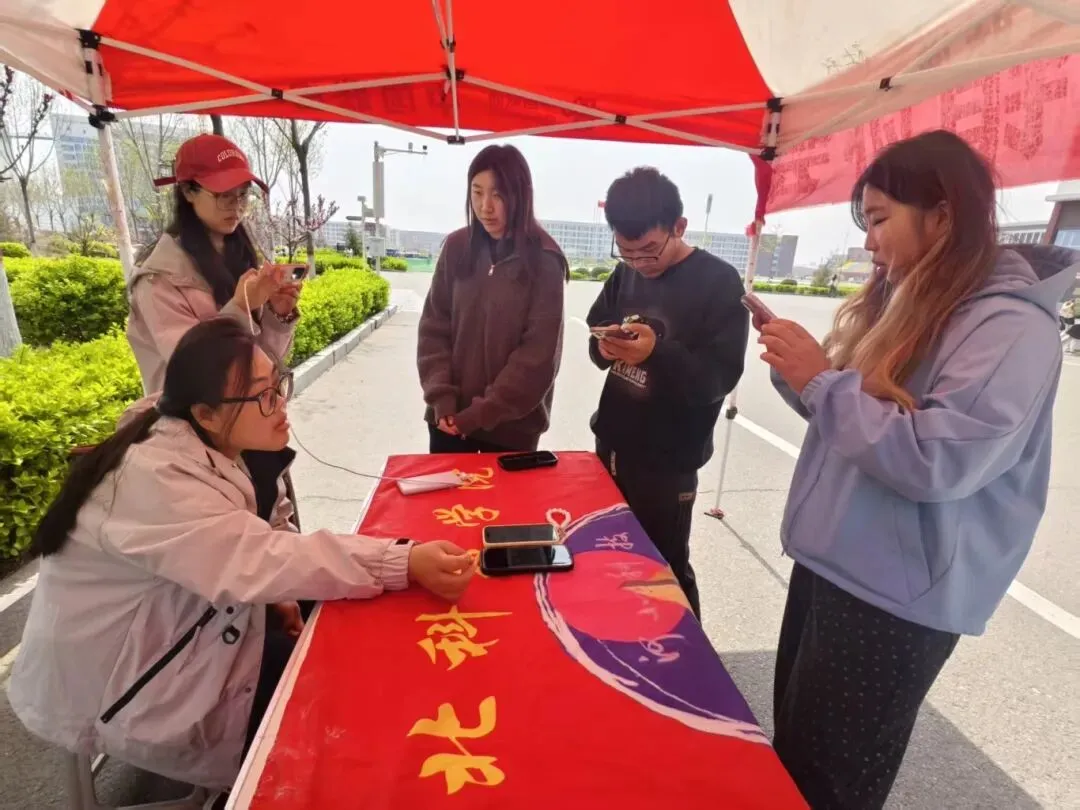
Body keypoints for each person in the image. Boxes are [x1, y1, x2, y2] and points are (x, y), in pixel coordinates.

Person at [8, 318, 474, 802]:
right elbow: (255, 555)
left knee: (353, 635)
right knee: (333, 709)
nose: (281, 405)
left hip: (186, 622)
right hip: (119, 681)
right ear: (206, 413)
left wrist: (283, 595)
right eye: (264, 396)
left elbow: (261, 538)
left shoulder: (212, 436)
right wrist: (400, 560)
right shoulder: (155, 478)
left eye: (279, 384)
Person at [756, 130, 1078, 809]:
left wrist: (822, 385)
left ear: (943, 214)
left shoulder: (1010, 327)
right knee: (795, 761)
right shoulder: (914, 301)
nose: (869, 242)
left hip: (894, 599)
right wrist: (804, 376)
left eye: (878, 220)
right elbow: (857, 419)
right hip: (834, 565)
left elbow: (939, 459)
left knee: (830, 781)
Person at [586, 167, 748, 619]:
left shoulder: (718, 282)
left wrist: (656, 353)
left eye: (648, 251)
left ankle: (689, 674)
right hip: (612, 444)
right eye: (626, 252)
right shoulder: (625, 274)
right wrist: (603, 347)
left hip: (667, 463)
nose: (638, 264)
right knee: (607, 560)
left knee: (664, 571)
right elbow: (597, 332)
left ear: (679, 227)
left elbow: (719, 378)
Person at [417, 144, 568, 454]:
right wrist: (442, 400)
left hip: (511, 433)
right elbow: (434, 328)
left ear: (521, 196)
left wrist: (480, 414)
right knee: (448, 504)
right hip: (447, 421)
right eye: (477, 193)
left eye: (498, 194)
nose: (485, 206)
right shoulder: (457, 247)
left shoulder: (545, 260)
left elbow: (537, 356)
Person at [128, 133, 299, 395]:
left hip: (246, 423)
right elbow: (196, 371)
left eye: (243, 195)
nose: (237, 206)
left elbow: (261, 363)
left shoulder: (240, 259)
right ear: (188, 191)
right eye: (224, 195)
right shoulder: (159, 280)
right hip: (191, 431)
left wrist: (278, 315)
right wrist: (241, 307)